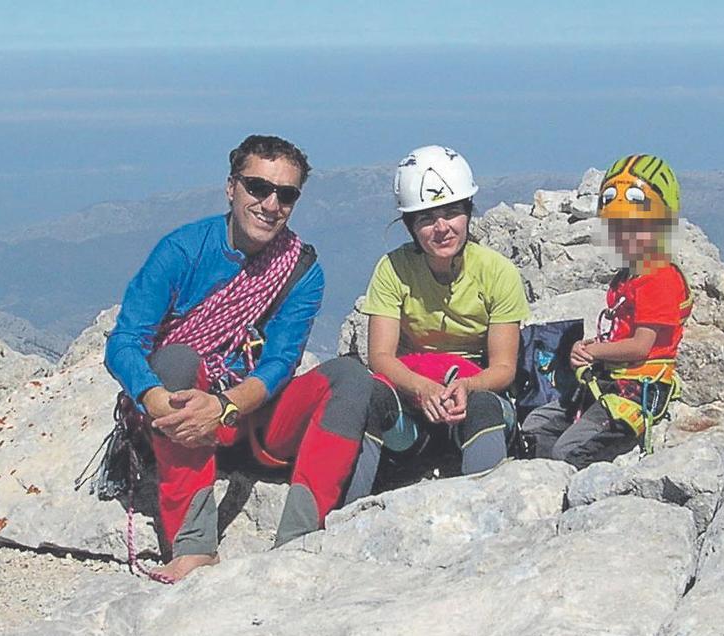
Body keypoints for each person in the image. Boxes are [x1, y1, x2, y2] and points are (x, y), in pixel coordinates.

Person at [104, 135, 374, 582]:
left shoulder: (300, 271)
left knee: (349, 377)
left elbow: (280, 364)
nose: (271, 204)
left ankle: (298, 543)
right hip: (182, 414)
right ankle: (193, 547)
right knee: (173, 361)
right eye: (257, 188)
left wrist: (225, 407)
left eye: (285, 195)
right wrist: (152, 398)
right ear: (232, 187)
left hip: (251, 418)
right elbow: (125, 341)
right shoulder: (183, 251)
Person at [342, 145, 530, 500]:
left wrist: (467, 388)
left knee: (485, 406)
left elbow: (504, 367)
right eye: (427, 218)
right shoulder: (393, 269)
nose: (441, 228)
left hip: (474, 395)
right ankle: (345, 518)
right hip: (414, 401)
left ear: (468, 213)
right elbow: (380, 357)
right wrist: (422, 389)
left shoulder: (498, 273)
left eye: (452, 212)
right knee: (370, 399)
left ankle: (483, 510)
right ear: (411, 225)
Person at [523, 154, 692, 468]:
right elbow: (620, 333)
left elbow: (642, 345)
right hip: (607, 381)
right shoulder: (629, 276)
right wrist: (587, 350)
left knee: (567, 452)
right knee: (536, 426)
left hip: (636, 391)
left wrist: (595, 351)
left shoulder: (659, 278)